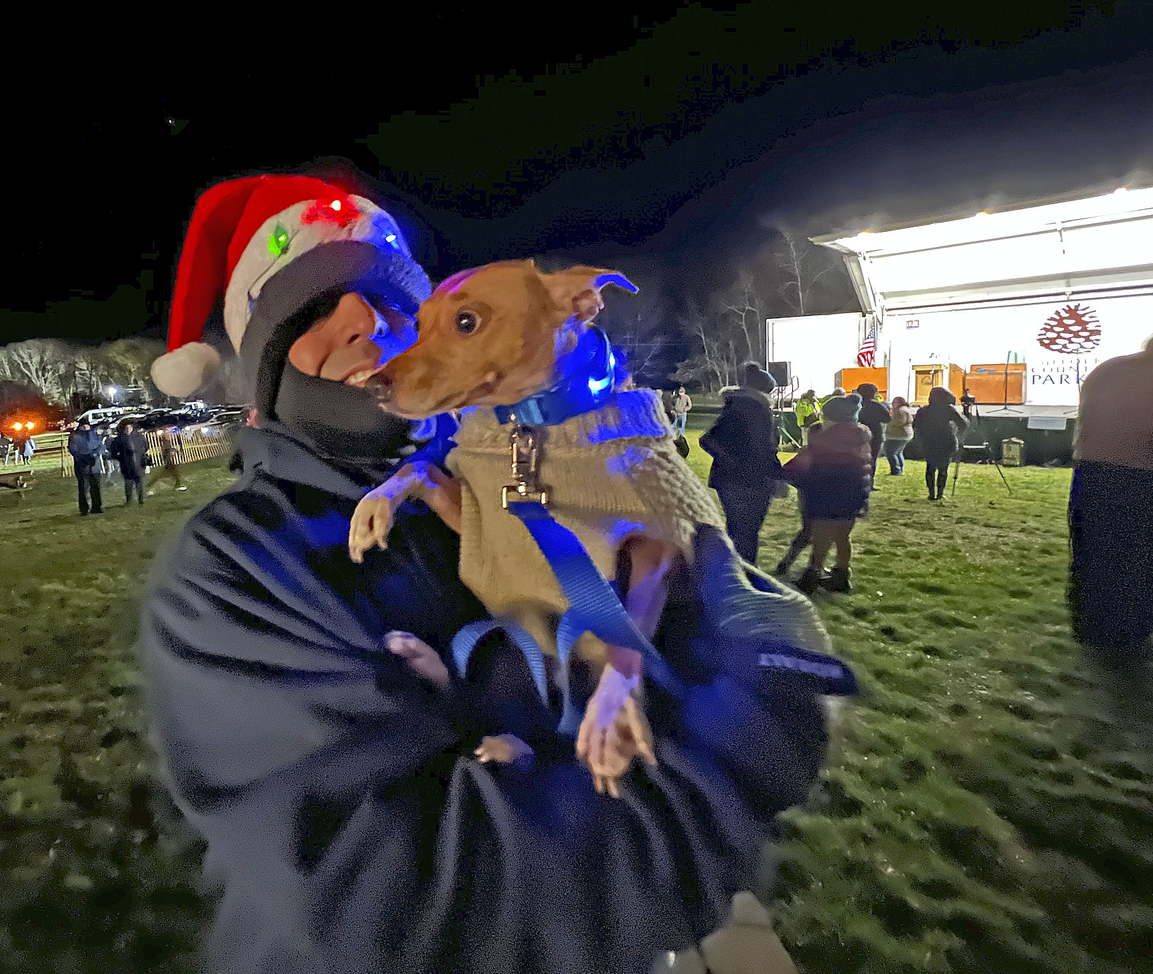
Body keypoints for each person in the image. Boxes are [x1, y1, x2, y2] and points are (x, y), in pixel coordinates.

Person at [140, 172, 843, 973]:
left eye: (392, 299)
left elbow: (636, 601)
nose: (366, 321)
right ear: (262, 374)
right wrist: (740, 748)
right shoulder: (235, 566)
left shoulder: (510, 463)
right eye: (308, 312)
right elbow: (416, 896)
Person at [1066, 334, 1153, 664]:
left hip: (1090, 471)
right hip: (1139, 477)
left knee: (1092, 549)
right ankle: (1129, 632)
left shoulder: (1108, 370)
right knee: (1136, 557)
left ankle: (1091, 626)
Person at [778, 395, 873, 594]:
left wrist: (786, 474)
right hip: (854, 494)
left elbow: (810, 461)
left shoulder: (826, 436)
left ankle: (811, 577)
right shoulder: (861, 434)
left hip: (828, 494)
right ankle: (841, 576)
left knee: (821, 538)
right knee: (842, 537)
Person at [699, 362, 784, 564]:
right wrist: (736, 463)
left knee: (740, 530)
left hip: (737, 479)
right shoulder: (752, 408)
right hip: (747, 480)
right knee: (746, 532)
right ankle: (742, 575)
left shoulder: (742, 406)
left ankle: (732, 572)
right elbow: (709, 440)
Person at [912, 386, 970, 501]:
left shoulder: (923, 410)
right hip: (946, 440)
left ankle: (931, 493)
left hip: (928, 440)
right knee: (943, 467)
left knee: (930, 467)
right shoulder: (949, 409)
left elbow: (916, 426)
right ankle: (940, 493)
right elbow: (964, 423)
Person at [67, 421, 105, 515]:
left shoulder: (93, 434)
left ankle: (96, 507)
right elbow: (73, 449)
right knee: (84, 487)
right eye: (84, 427)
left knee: (95, 486)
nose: (86, 428)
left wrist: (96, 453)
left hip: (94, 463)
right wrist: (82, 458)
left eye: (87, 426)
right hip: (82, 465)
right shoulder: (75, 436)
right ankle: (84, 509)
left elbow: (100, 445)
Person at [111, 420, 150, 504]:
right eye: (126, 428)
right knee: (128, 482)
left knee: (139, 482)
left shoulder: (139, 436)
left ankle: (141, 499)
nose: (128, 429)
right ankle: (129, 500)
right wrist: (120, 458)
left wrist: (141, 454)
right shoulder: (120, 439)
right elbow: (113, 451)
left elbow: (146, 446)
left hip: (139, 462)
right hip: (126, 464)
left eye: (130, 427)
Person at [854, 383, 890, 471]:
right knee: (872, 458)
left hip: (858, 433)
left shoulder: (855, 405)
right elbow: (887, 419)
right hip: (875, 433)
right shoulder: (878, 406)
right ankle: (870, 479)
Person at [882, 396, 913, 476]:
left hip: (898, 435)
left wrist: (889, 422)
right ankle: (899, 469)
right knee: (898, 452)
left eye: (894, 402)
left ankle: (896, 470)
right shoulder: (905, 409)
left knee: (890, 452)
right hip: (904, 435)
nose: (892, 403)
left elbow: (899, 421)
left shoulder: (900, 411)